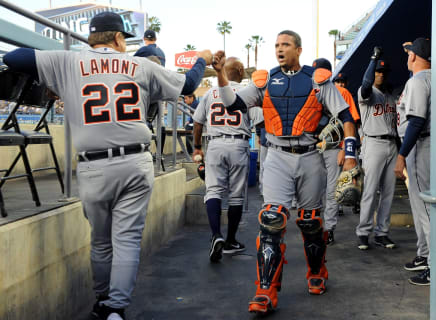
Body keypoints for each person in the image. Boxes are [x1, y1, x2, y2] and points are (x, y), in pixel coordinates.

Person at [3, 11, 213, 320]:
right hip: (134, 160)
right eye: (123, 40)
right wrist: (201, 59)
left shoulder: (68, 62)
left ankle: (101, 302)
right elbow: (189, 85)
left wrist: (59, 74)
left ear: (91, 37)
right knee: (126, 239)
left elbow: (15, 56)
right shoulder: (141, 64)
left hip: (93, 165)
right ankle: (115, 308)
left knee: (100, 241)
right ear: (117, 38)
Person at [212, 30, 358, 314]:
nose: (280, 49)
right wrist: (220, 74)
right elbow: (232, 103)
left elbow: (346, 117)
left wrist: (350, 155)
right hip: (277, 155)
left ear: (298, 50)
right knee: (271, 219)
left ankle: (317, 271)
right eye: (277, 44)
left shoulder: (317, 80)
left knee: (310, 221)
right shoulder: (264, 82)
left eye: (286, 45)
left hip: (310, 155)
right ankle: (266, 290)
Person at [192, 57, 263, 262]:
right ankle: (231, 240)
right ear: (239, 70)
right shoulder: (247, 91)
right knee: (236, 196)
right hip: (239, 143)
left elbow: (197, 123)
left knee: (213, 190)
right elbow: (260, 120)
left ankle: (216, 235)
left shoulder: (210, 93)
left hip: (215, 143)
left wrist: (197, 146)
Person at [394, 38, 431, 286]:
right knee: (421, 208)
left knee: (426, 208)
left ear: (415, 57)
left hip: (422, 144)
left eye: (409, 53)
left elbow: (416, 121)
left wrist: (401, 155)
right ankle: (425, 255)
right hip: (428, 144)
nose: (407, 56)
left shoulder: (418, 80)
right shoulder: (435, 77)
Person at [312, 58, 360, 245]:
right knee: (314, 190)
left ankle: (328, 228)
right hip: (313, 147)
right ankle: (316, 226)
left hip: (333, 148)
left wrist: (344, 149)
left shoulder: (341, 92)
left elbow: (351, 121)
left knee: (331, 190)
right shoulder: (309, 91)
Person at [355, 47, 398, 250]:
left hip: (391, 144)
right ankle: (363, 233)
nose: (379, 75)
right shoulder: (367, 92)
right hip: (373, 143)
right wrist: (373, 59)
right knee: (370, 191)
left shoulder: (390, 96)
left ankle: (382, 233)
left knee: (388, 193)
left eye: (382, 72)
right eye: (377, 72)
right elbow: (365, 84)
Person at [332, 72, 362, 215]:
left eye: (342, 81)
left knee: (345, 176)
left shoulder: (341, 94)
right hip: (340, 143)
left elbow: (354, 120)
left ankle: (349, 204)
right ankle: (344, 205)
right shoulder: (341, 94)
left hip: (340, 143)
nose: (341, 84)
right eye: (338, 81)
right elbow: (353, 120)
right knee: (348, 175)